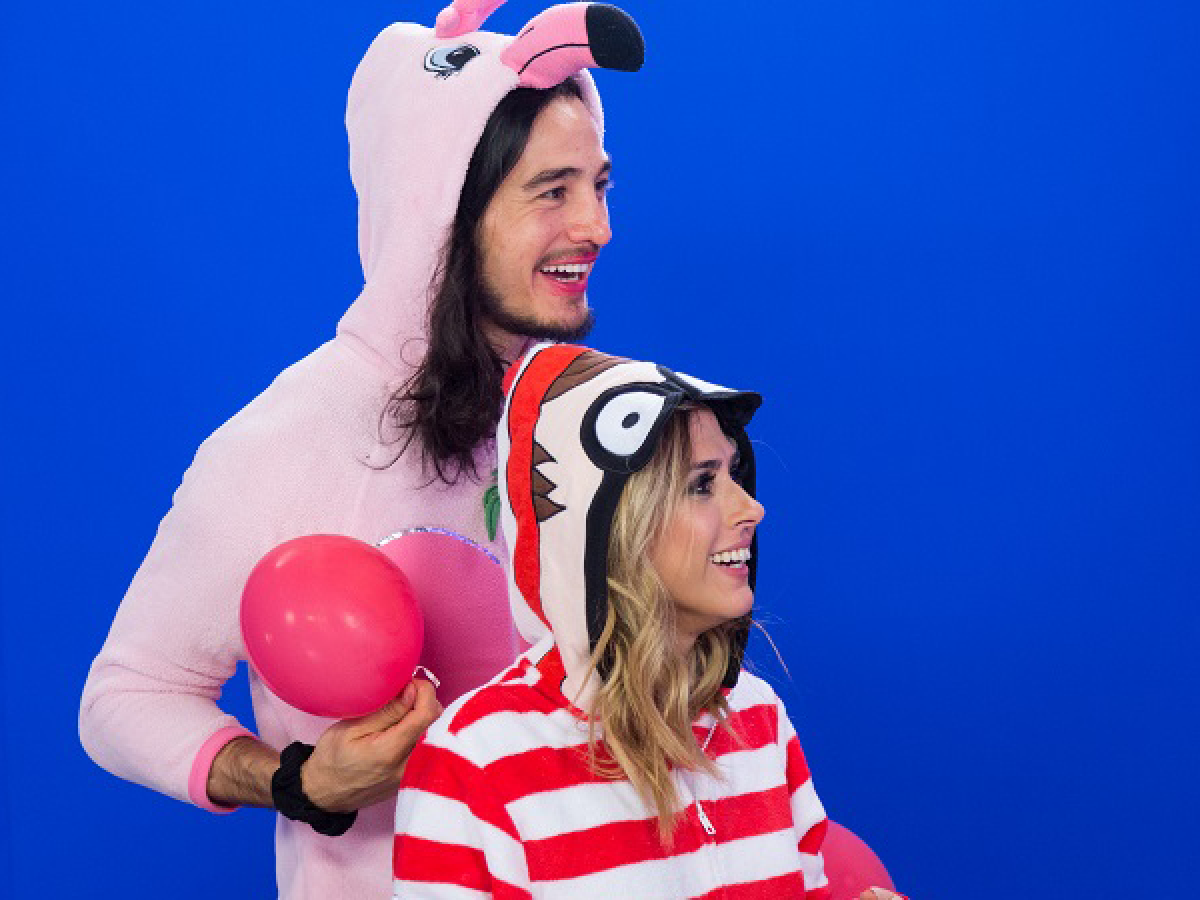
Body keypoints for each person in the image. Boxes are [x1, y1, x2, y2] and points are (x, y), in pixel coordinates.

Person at [78, 4, 643, 898]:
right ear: (441, 211)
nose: (596, 227)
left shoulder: (586, 416)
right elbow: (125, 695)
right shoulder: (281, 444)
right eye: (552, 191)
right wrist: (298, 783)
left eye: (599, 186)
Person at [393, 344, 908, 899]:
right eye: (702, 484)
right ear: (608, 524)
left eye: (734, 473)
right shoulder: (474, 761)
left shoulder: (758, 718)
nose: (751, 510)